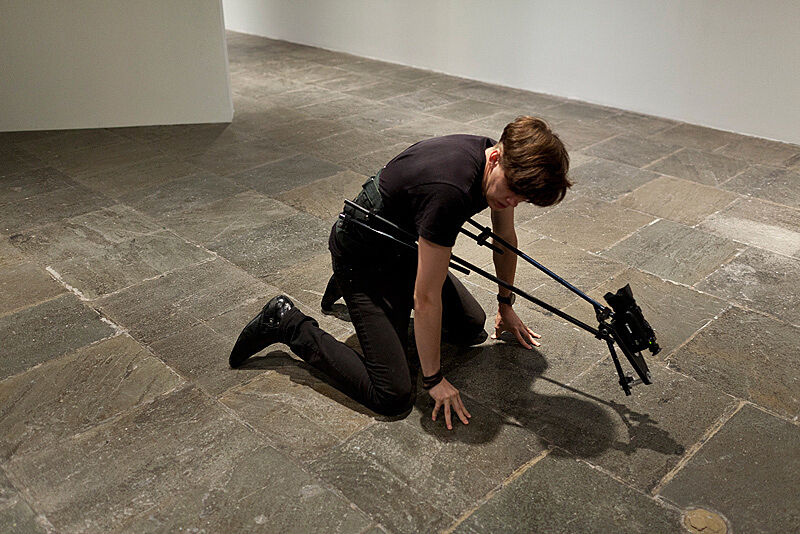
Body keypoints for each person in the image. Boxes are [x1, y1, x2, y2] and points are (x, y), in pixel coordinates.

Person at [229, 116, 571, 430]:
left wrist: (505, 304)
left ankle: (365, 302)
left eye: (521, 199)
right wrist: (434, 379)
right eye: (512, 191)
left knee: (470, 327)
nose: (512, 202)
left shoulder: (493, 162)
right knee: (392, 394)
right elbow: (425, 299)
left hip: (403, 250)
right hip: (363, 260)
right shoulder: (449, 190)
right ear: (496, 158)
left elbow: (504, 240)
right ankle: (287, 322)